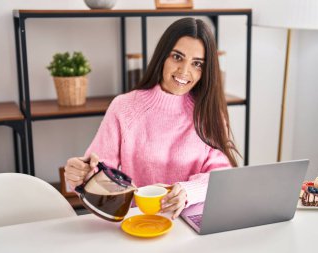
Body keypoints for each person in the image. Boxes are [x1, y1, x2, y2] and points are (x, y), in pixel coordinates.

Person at [64, 17, 239, 219]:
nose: (184, 71)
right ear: (163, 56)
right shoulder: (124, 107)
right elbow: (98, 172)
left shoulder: (209, 113)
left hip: (189, 223)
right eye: (177, 57)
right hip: (138, 222)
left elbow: (221, 176)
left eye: (197, 63)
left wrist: (187, 191)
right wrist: (80, 175)